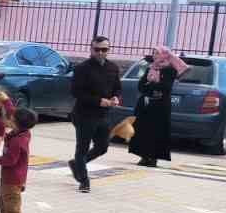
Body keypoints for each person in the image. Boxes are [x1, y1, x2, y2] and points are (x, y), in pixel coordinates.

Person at [70, 35, 122, 193]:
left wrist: (115, 97)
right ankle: (84, 180)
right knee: (82, 148)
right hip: (84, 114)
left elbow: (117, 88)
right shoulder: (82, 68)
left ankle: (76, 164)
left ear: (108, 50)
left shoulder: (113, 67)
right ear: (91, 49)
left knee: (102, 147)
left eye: (104, 50)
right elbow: (76, 92)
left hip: (104, 115)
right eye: (97, 49)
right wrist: (98, 101)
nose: (100, 53)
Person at [130, 46, 181, 168]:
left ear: (164, 55)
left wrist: (151, 85)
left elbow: (165, 87)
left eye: (157, 53)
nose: (154, 56)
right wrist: (152, 86)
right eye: (154, 53)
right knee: (143, 130)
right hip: (146, 104)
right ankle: (143, 156)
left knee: (156, 132)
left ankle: (153, 158)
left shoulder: (170, 70)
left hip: (160, 107)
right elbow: (141, 86)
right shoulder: (151, 67)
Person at [0, 106, 37, 213]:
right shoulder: (18, 133)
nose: (9, 117)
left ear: (16, 122)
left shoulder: (18, 141)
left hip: (13, 179)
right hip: (7, 177)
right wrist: (5, 99)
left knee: (12, 207)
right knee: (3, 204)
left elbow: (10, 160)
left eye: (12, 117)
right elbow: (12, 111)